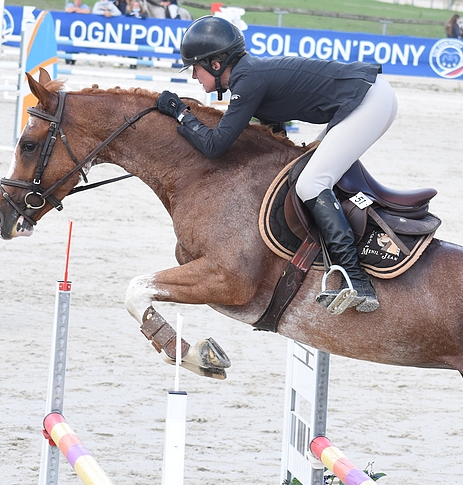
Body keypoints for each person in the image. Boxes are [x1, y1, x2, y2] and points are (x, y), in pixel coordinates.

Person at [156, 16, 398, 313]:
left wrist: (182, 115)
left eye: (195, 67)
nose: (194, 77)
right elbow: (278, 136)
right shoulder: (249, 77)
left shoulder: (248, 80)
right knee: (307, 168)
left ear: (215, 65)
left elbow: (215, 145)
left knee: (312, 183)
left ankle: (356, 279)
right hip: (365, 99)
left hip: (369, 101)